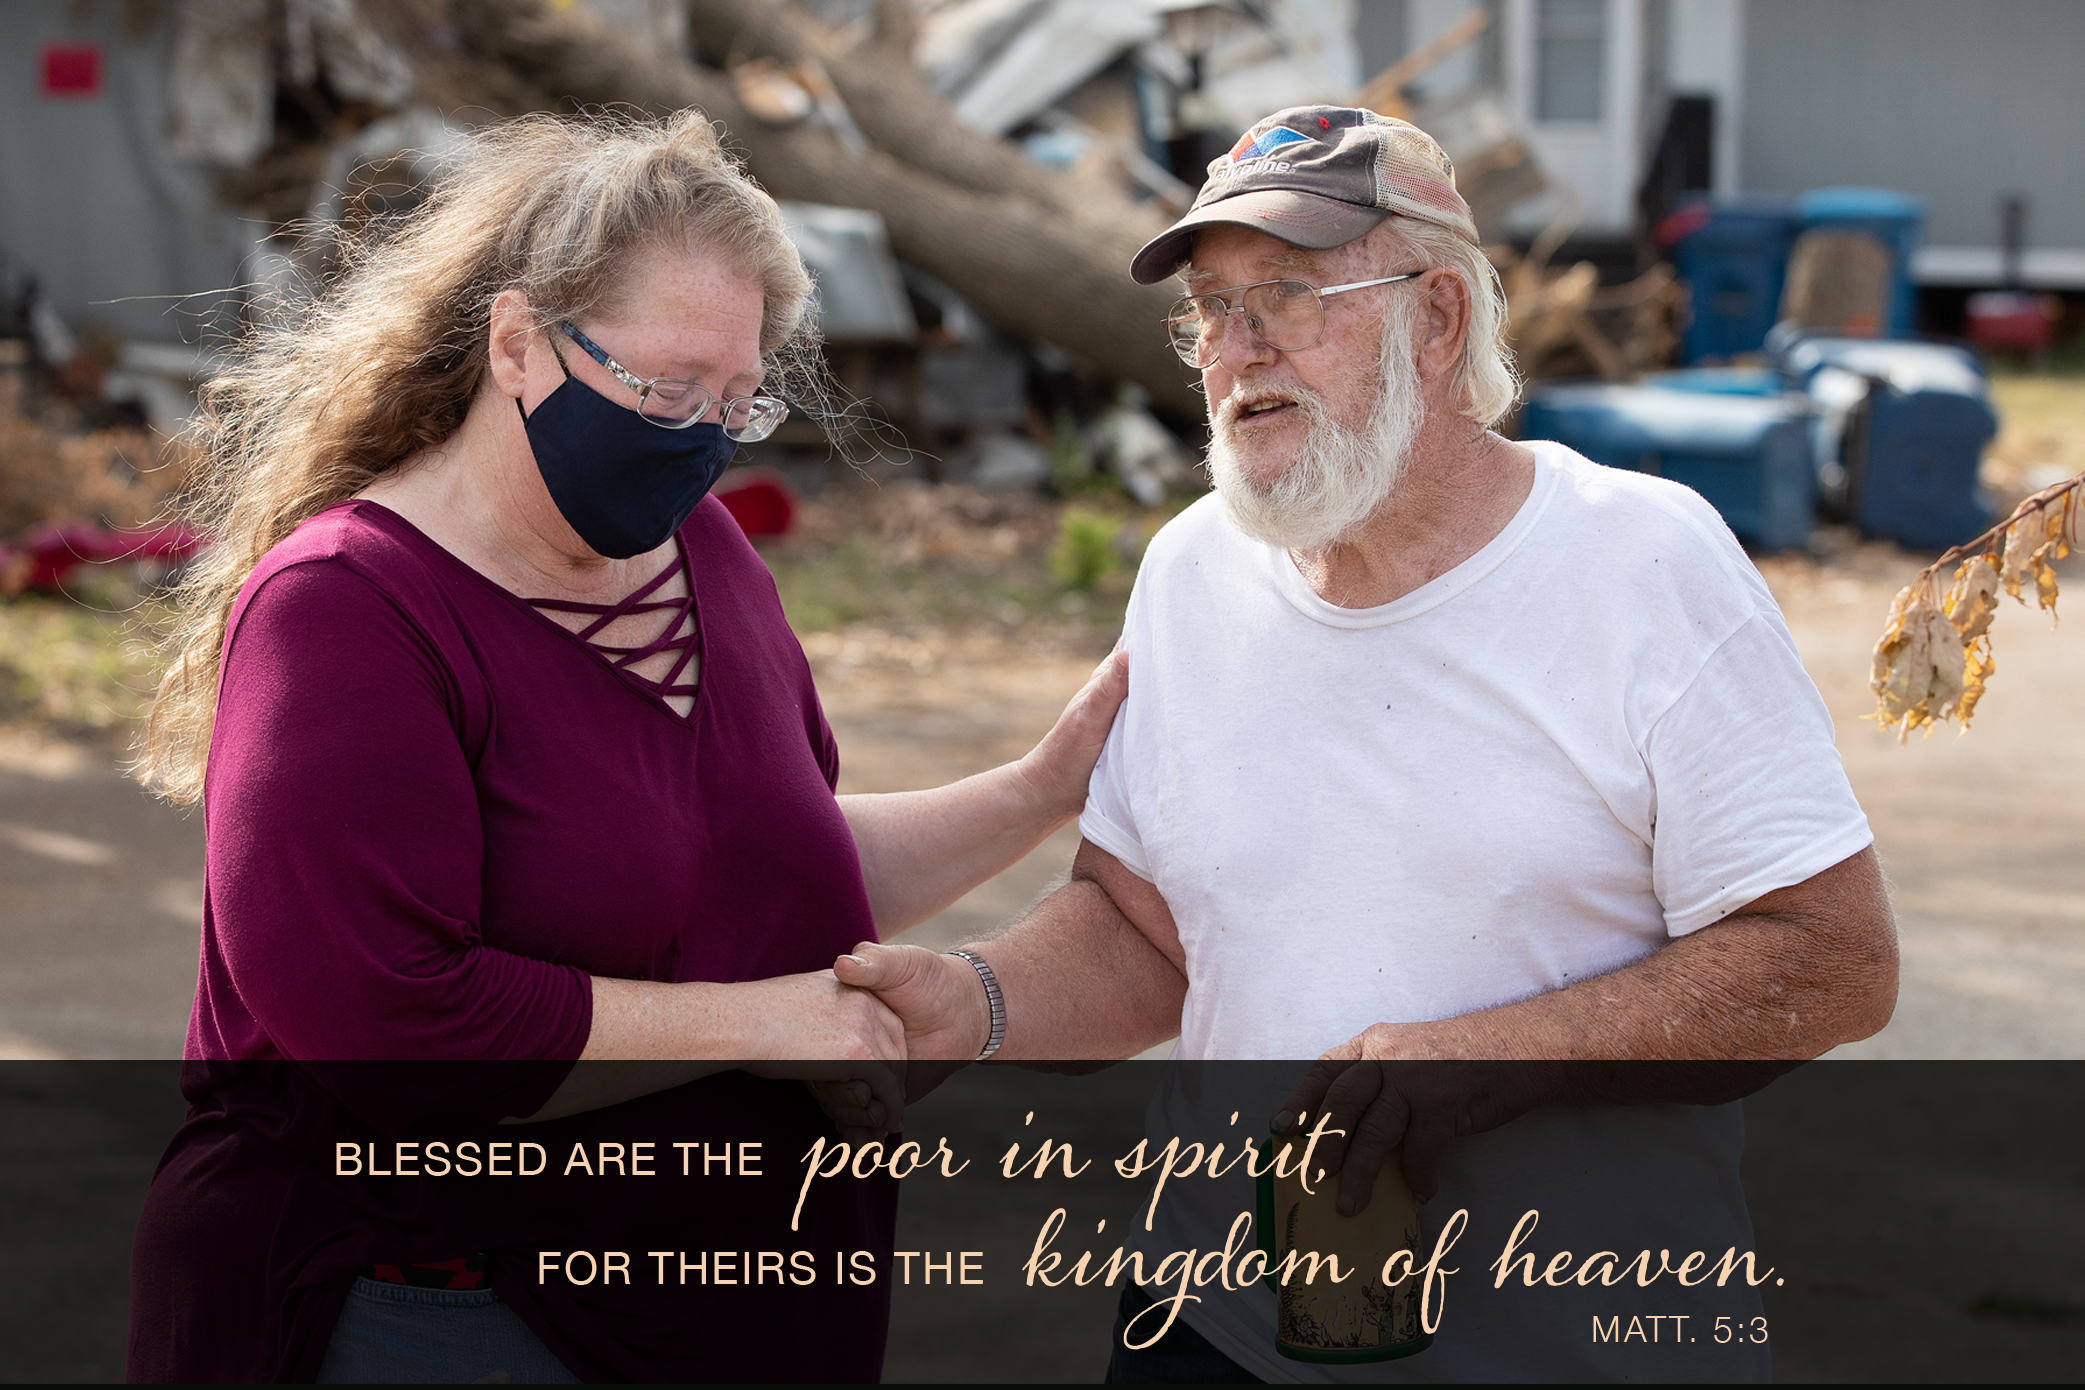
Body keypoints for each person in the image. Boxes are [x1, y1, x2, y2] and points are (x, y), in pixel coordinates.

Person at [838, 106, 1898, 1381]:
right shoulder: (1193, 570)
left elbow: (1833, 960)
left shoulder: (1642, 563)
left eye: (1287, 296)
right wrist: (982, 998)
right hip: (1211, 1326)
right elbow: (1149, 929)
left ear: (1438, 319)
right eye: (1212, 311)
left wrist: (1490, 1060)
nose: (1238, 350)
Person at [124, 110, 1124, 1384]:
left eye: (738, 399)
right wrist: (769, 1025)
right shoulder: (347, 611)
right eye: (661, 389)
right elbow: (393, 1025)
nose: (698, 436)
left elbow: (775, 876)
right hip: (429, 1311)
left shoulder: (709, 556)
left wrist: (1046, 785)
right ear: (518, 345)